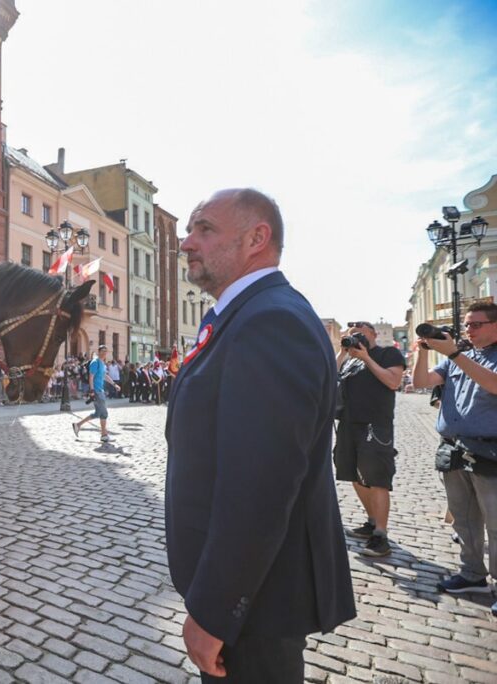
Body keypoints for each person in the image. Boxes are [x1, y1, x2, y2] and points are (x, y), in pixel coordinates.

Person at [165, 188, 355, 682]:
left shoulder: (269, 320)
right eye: (189, 229)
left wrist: (215, 610)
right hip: (253, 596)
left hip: (257, 606)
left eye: (204, 228)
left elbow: (259, 489)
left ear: (257, 238)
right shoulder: (250, 313)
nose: (187, 242)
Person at [412, 301, 497, 616]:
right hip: (455, 449)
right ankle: (472, 574)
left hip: (491, 451)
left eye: (476, 324)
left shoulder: (466, 357)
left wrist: (454, 354)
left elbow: (494, 384)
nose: (469, 330)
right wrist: (423, 351)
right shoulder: (462, 356)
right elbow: (420, 383)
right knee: (465, 519)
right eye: (468, 325)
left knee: (496, 523)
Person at [335, 320, 405, 557]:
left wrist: (366, 357)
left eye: (361, 334)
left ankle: (381, 535)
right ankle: (372, 522)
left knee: (377, 479)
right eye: (352, 335)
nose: (356, 338)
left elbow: (393, 381)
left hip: (375, 425)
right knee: (354, 475)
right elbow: (329, 376)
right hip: (347, 425)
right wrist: (343, 351)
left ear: (374, 334)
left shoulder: (388, 353)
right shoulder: (349, 360)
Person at [72, 345, 119, 442]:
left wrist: (114, 384)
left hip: (100, 390)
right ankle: (104, 435)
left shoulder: (102, 363)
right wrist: (92, 391)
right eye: (102, 351)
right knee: (104, 413)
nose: (104, 353)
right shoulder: (95, 362)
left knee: (97, 413)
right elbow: (91, 377)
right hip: (97, 391)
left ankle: (78, 425)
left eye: (106, 351)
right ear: (98, 351)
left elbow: (104, 376)